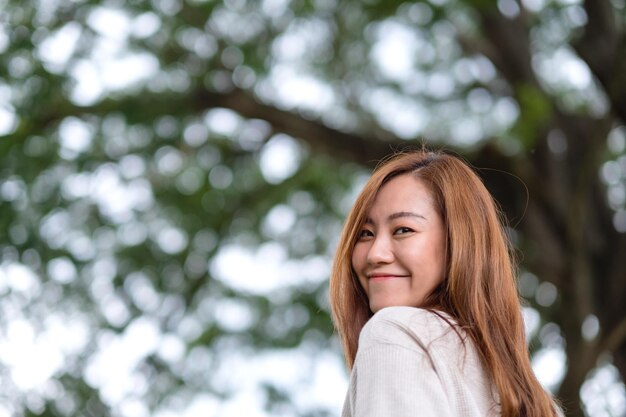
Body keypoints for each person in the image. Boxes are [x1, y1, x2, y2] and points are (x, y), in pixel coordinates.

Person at [329, 150, 562, 417]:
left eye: (403, 230)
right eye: (365, 234)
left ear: (459, 243)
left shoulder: (394, 333)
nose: (375, 254)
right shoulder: (537, 401)